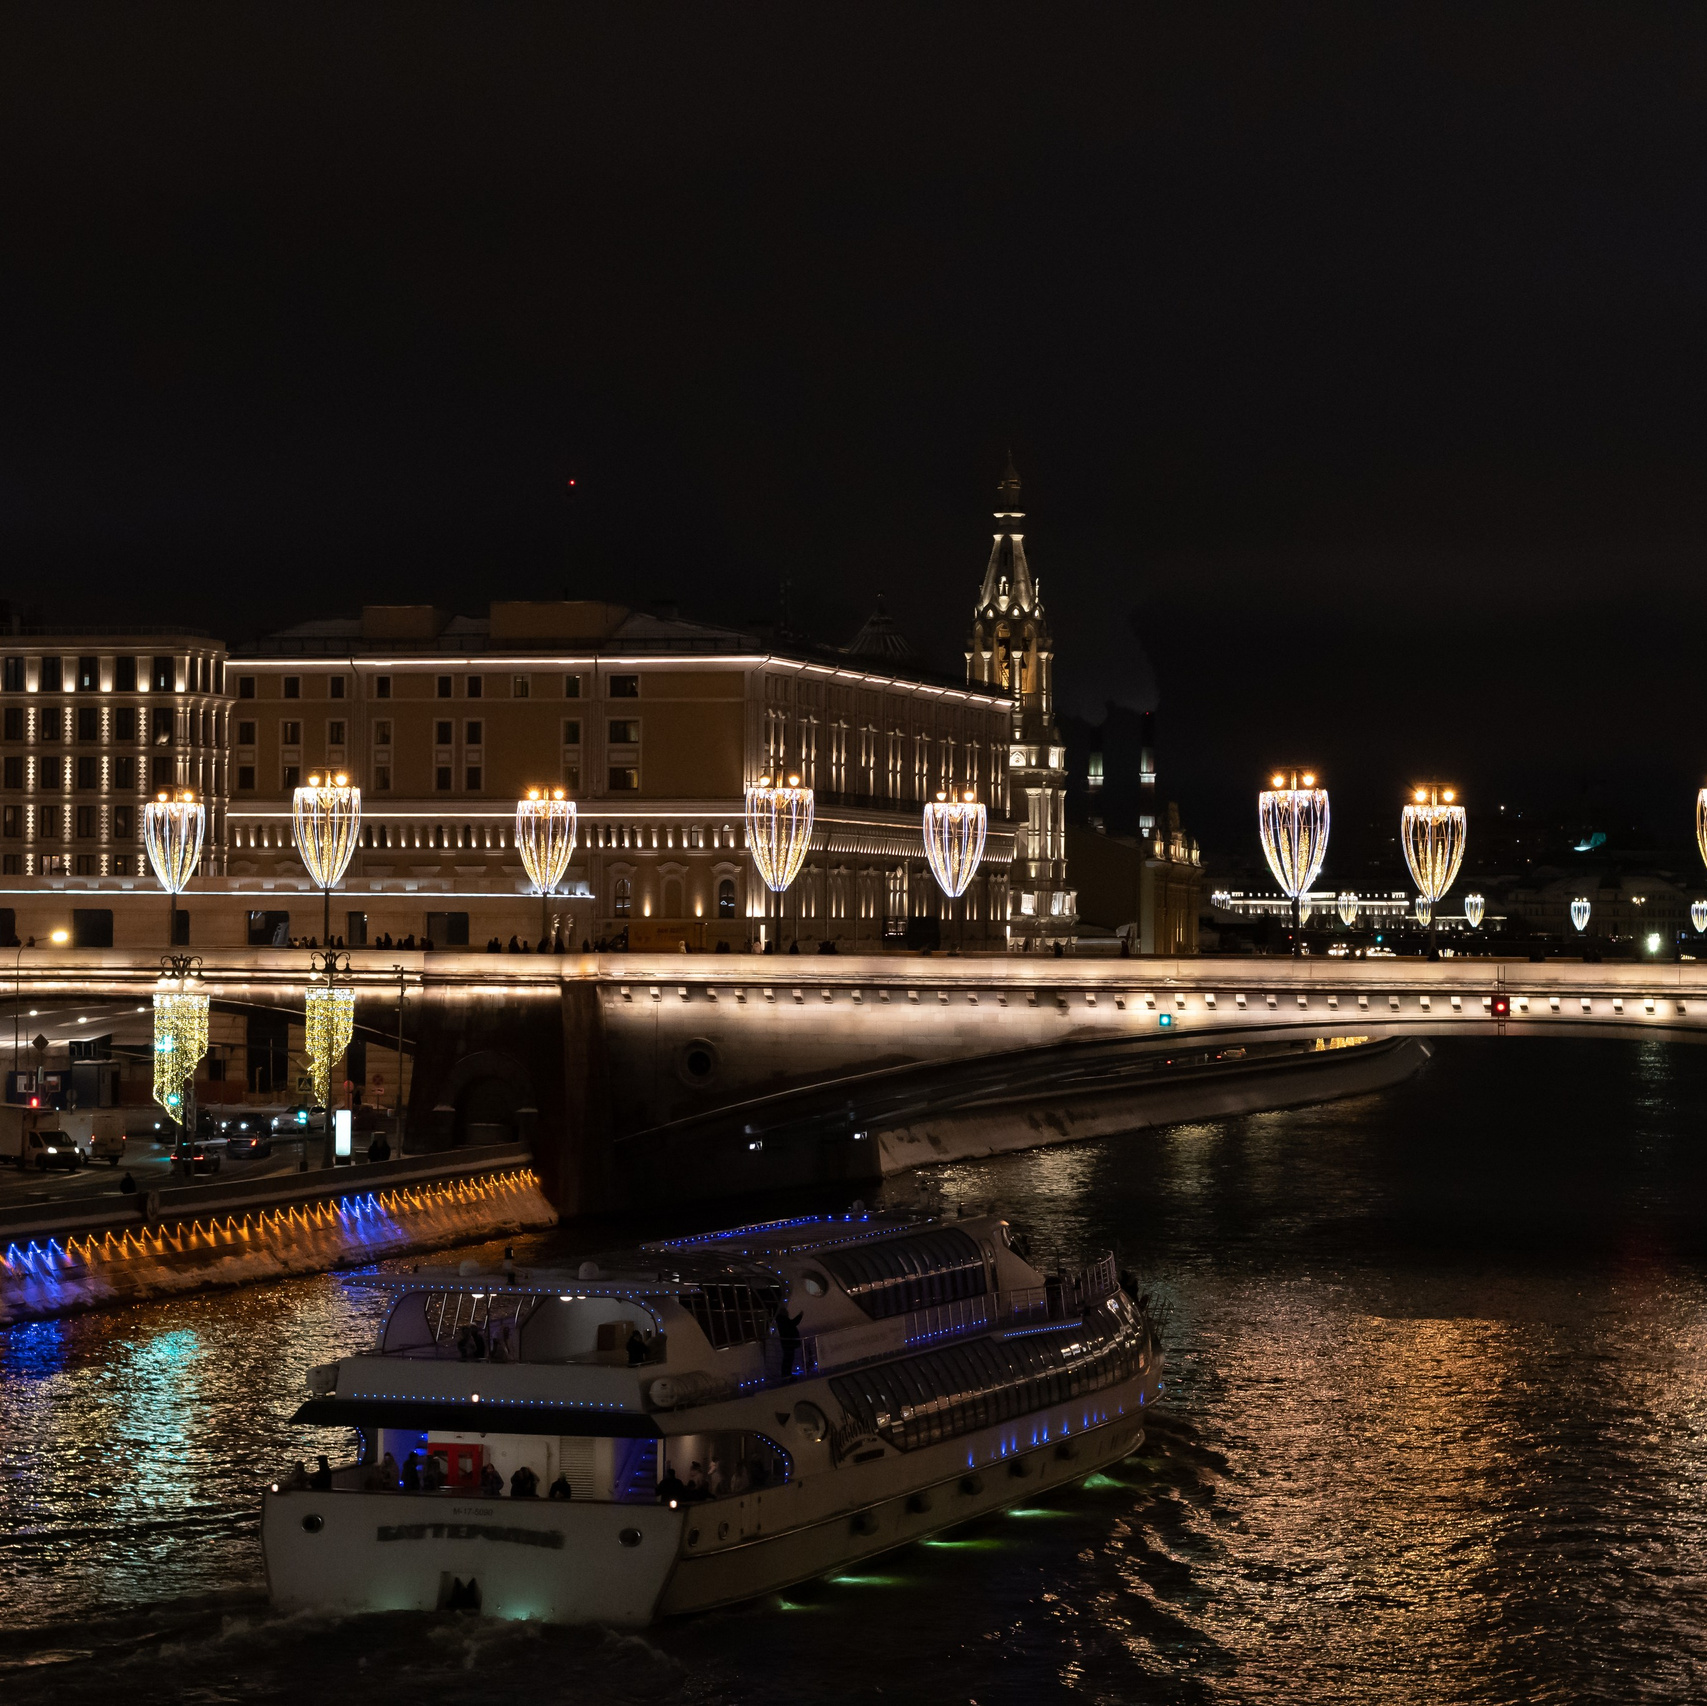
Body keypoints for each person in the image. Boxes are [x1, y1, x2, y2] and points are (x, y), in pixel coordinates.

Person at [774, 1297, 804, 1379]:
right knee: (788, 1359)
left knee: (788, 1359)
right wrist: (800, 1316)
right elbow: (793, 1323)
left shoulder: (781, 1320)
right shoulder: (783, 1320)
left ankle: (786, 1374)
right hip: (789, 1343)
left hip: (787, 1343)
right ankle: (786, 1374)